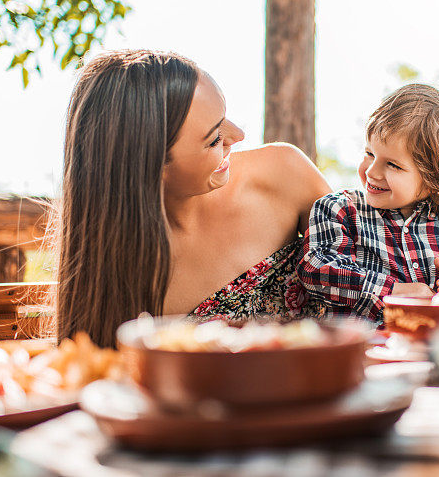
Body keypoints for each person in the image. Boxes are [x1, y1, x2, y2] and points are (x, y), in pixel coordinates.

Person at [58, 50, 330, 347]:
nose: (238, 135)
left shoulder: (284, 173)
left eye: (224, 117)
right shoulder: (114, 277)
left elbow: (377, 279)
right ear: (153, 166)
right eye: (214, 139)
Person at [297, 84, 439, 322]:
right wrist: (393, 291)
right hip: (365, 351)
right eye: (369, 153)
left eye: (393, 165)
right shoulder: (340, 209)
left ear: (435, 178)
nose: (372, 171)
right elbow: (318, 269)